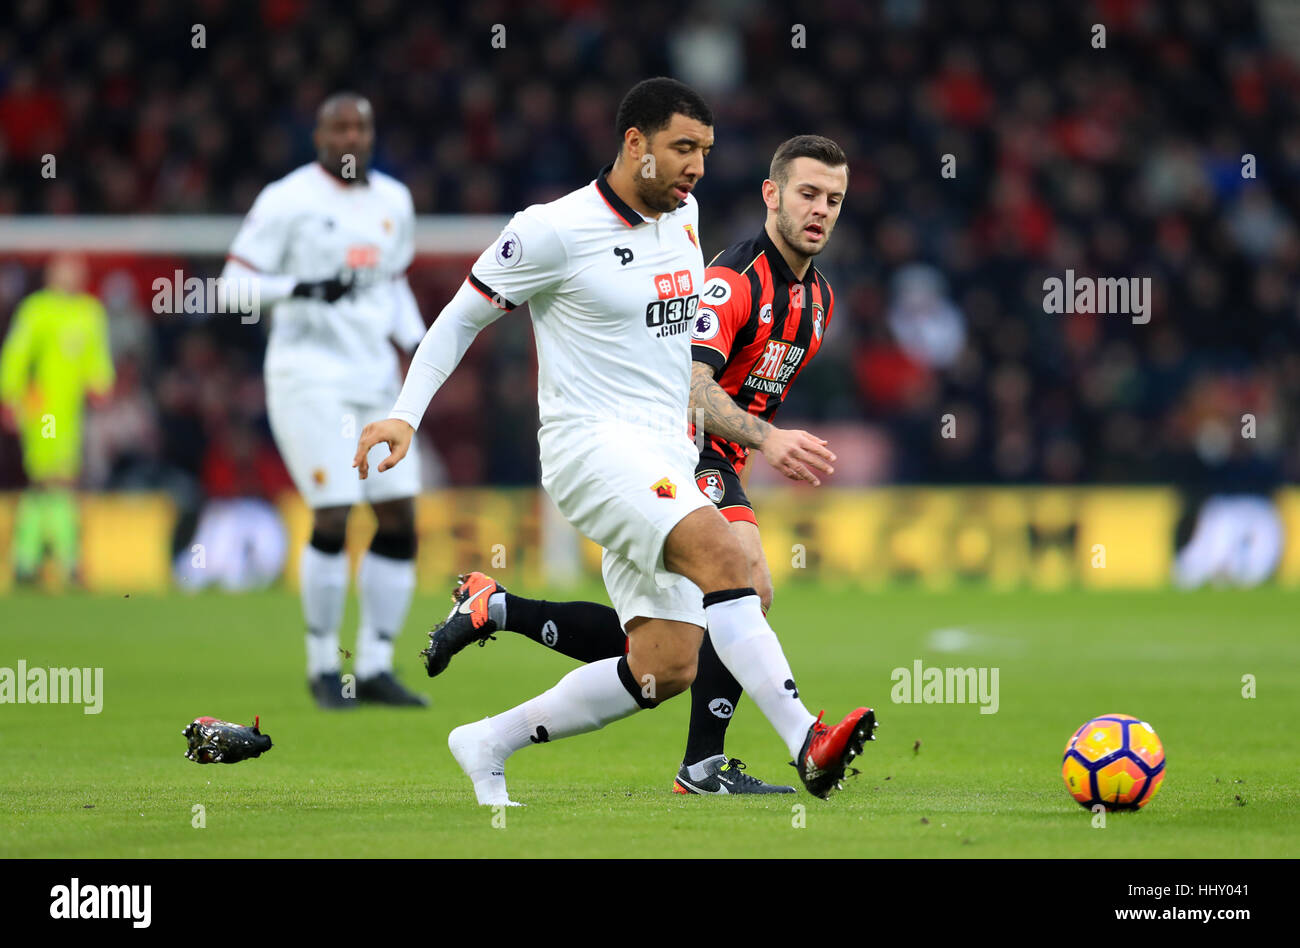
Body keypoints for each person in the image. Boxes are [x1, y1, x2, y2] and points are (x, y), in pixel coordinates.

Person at [354, 79, 874, 804]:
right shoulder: (553, 229)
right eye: (682, 148)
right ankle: (805, 740)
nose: (697, 166)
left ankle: (486, 741)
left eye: (706, 151)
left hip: (665, 452)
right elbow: (460, 317)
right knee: (734, 563)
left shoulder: (684, 215)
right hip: (593, 448)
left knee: (666, 664)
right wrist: (405, 414)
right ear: (636, 144)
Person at [221, 93, 427, 709]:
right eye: (338, 127)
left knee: (398, 515)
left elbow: (393, 284)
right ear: (317, 137)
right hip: (307, 375)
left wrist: (421, 347)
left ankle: (373, 665)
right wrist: (300, 287)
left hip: (375, 378)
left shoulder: (395, 201)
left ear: (371, 136)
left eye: (359, 127)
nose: (349, 137)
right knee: (335, 509)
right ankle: (321, 666)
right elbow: (233, 289)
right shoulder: (287, 200)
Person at [0, 253, 114, 586]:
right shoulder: (37, 310)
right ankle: (65, 560)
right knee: (56, 479)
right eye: (65, 270)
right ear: (52, 274)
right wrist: (10, 395)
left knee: (53, 482)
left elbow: (97, 359)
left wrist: (101, 384)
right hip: (44, 411)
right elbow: (16, 354)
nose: (70, 276)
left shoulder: (89, 312)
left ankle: (29, 557)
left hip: (73, 413)